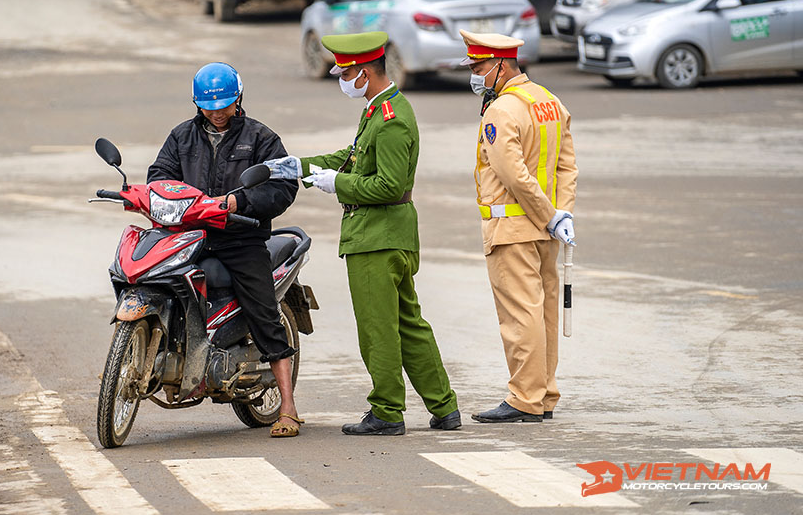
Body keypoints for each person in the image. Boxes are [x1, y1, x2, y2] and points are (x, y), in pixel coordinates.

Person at [266, 31, 459, 436]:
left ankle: (387, 411)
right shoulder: (380, 109)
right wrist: (298, 166)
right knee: (408, 324)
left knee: (378, 329)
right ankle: (444, 406)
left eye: (346, 72)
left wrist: (336, 184)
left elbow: (388, 185)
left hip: (378, 236)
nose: (341, 79)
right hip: (391, 235)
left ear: (366, 73)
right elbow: (350, 158)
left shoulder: (390, 121)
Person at [147, 62, 303, 438]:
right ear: (197, 104)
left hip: (241, 237)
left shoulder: (261, 138)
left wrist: (240, 202)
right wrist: (158, 196)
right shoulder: (181, 137)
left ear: (239, 99)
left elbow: (283, 187)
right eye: (208, 106)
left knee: (264, 313)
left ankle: (288, 407)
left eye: (224, 105)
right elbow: (160, 175)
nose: (216, 113)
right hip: (190, 234)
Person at [460, 30, 578, 423]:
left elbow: (514, 175)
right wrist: (561, 214)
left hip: (511, 227)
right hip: (547, 230)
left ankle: (524, 398)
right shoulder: (548, 101)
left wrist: (548, 214)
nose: (475, 76)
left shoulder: (502, 110)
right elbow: (566, 166)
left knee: (519, 317)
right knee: (543, 312)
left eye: (478, 67)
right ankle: (544, 395)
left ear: (500, 65)